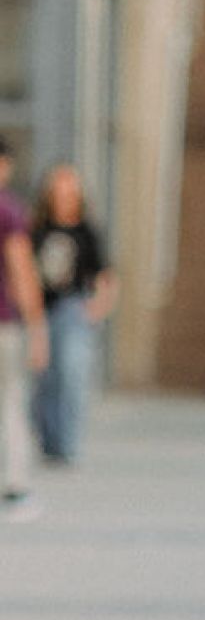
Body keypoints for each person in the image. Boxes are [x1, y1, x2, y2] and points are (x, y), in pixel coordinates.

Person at [31, 165, 116, 464]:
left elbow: (105, 275)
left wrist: (97, 309)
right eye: (59, 190)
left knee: (72, 375)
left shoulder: (87, 231)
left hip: (72, 309)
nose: (64, 196)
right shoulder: (38, 229)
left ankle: (67, 443)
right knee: (43, 378)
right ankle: (48, 441)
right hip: (40, 309)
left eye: (70, 190)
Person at [0, 136, 47, 520]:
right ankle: (15, 486)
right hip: (4, 324)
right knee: (12, 403)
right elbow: (21, 271)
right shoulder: (8, 210)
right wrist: (38, 328)